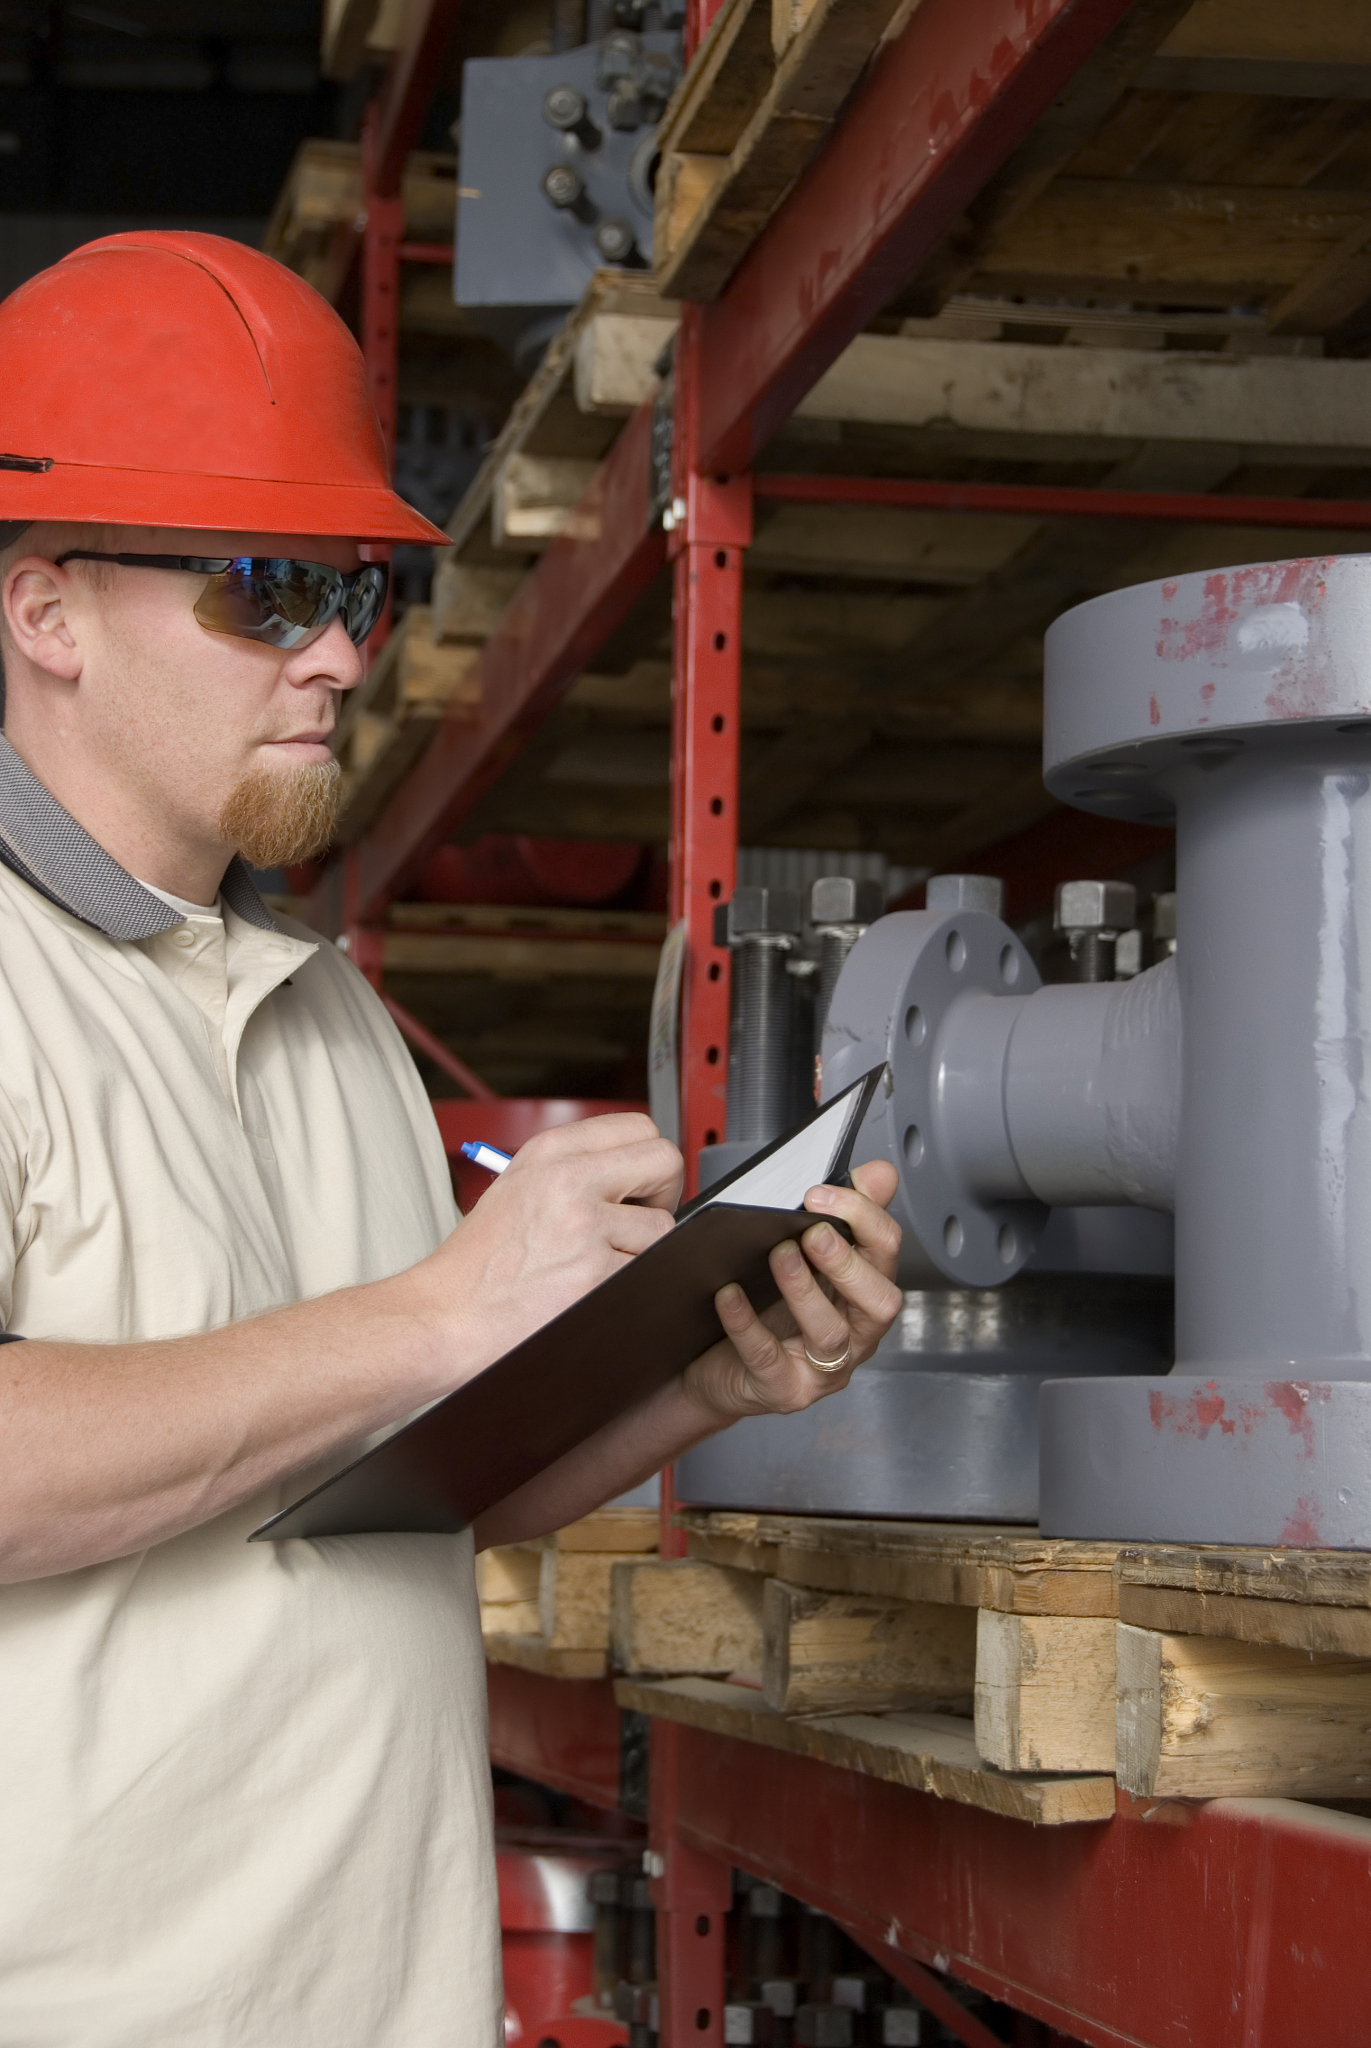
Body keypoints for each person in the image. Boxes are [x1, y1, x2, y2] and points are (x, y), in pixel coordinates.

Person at [0, 231, 903, 2046]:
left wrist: (707, 1376)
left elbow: (388, 1501)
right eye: (266, 588)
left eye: (357, 592)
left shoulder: (323, 1013)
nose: (337, 654)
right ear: (49, 610)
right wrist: (436, 1311)